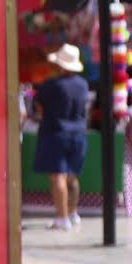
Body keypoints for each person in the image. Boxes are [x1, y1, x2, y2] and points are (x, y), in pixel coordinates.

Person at [31, 44, 91, 229]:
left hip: (56, 133)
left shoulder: (51, 85)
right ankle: (72, 213)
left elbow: (38, 106)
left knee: (58, 177)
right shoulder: (83, 85)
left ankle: (62, 217)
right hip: (78, 134)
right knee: (72, 177)